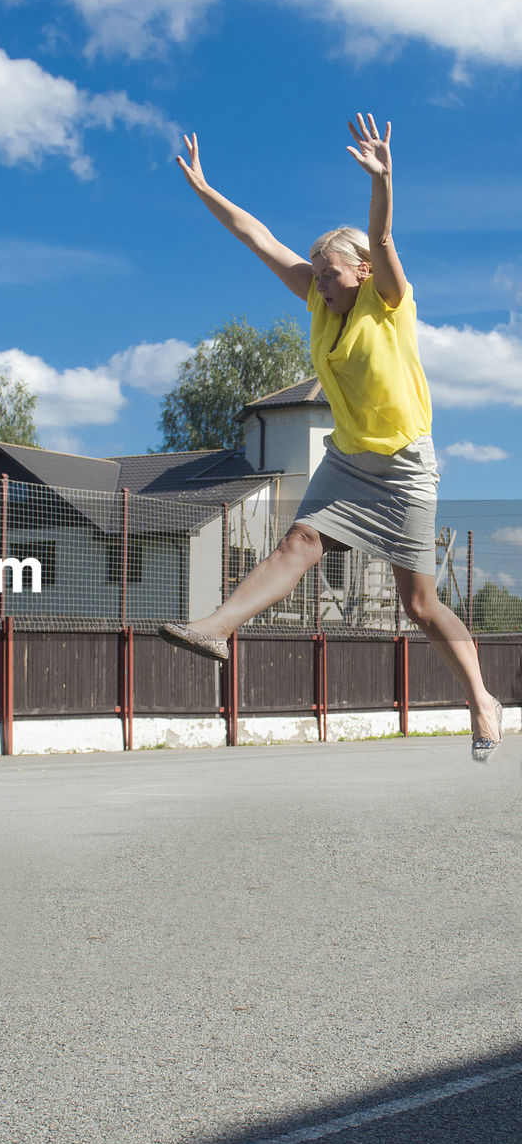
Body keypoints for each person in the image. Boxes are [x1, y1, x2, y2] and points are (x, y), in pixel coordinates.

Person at [163, 113, 502, 761]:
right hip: (347, 458)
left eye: (330, 272)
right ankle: (215, 628)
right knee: (300, 540)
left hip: (404, 466)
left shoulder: (390, 300)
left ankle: (481, 699)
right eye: (315, 272)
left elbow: (382, 233)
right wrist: (207, 192)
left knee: (420, 605)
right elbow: (259, 239)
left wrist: (384, 179)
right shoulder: (321, 302)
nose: (317, 281)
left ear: (363, 272)